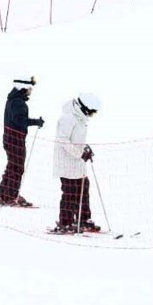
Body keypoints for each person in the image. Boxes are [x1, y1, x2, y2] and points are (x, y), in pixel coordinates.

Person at [53, 93, 102, 233]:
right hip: (66, 163)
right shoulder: (68, 119)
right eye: (91, 112)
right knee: (70, 192)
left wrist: (85, 148)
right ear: (84, 108)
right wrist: (80, 153)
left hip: (77, 163)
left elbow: (77, 139)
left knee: (84, 188)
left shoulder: (79, 118)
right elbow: (62, 140)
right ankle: (66, 222)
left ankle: (83, 219)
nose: (92, 115)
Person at [0, 77, 44, 207]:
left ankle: (5, 194)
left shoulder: (14, 99)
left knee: (12, 166)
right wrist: (35, 122)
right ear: (23, 88)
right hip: (15, 139)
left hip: (11, 138)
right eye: (29, 89)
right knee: (17, 168)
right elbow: (19, 120)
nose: (30, 91)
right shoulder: (18, 102)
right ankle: (10, 196)